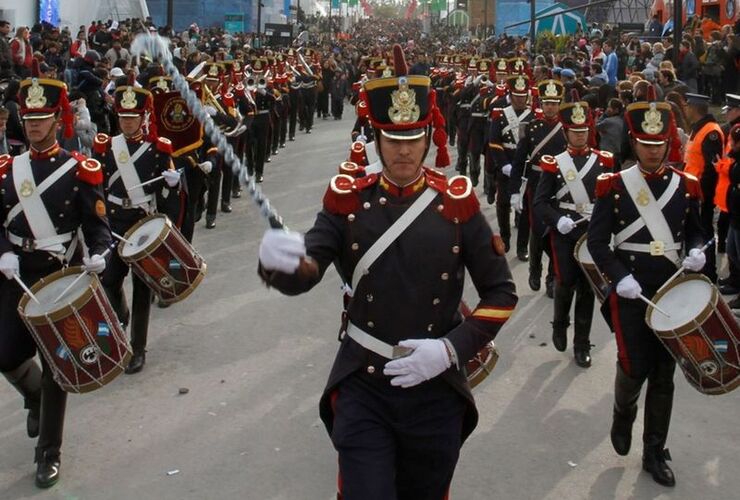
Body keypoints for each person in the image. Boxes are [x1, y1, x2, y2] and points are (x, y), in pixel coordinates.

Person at [256, 45, 517, 500]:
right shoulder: (347, 200)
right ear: (375, 139)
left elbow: (501, 294)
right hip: (365, 381)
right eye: (393, 140)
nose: (404, 151)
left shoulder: (457, 204)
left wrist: (451, 349)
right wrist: (281, 261)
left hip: (435, 386)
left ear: (430, 136)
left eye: (414, 138)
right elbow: (310, 268)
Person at [0, 63, 111, 488]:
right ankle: (33, 397)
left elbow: (98, 227)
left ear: (56, 119)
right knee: (7, 354)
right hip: (14, 274)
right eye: (28, 120)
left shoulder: (80, 169)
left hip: (58, 272)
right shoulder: (7, 171)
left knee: (56, 365)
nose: (33, 127)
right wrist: (5, 252)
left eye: (41, 119)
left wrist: (100, 254)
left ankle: (49, 451)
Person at [588, 93, 706, 488]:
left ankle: (654, 449)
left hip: (671, 289)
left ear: (668, 143)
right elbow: (597, 242)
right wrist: (618, 275)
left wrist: (696, 254)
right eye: (645, 144)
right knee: (633, 365)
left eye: (659, 145)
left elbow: (697, 232)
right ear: (634, 143)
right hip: (630, 291)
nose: (652, 151)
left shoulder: (685, 185)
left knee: (664, 373)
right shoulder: (614, 186)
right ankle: (623, 413)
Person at [93, 79, 181, 374]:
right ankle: (121, 314)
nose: (127, 123)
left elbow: (167, 199)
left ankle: (138, 348)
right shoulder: (106, 147)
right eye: (123, 117)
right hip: (115, 223)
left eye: (132, 117)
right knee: (109, 281)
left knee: (143, 288)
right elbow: (97, 188)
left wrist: (172, 187)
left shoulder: (158, 148)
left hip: (142, 223)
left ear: (144, 118)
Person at [535, 99, 614, 367]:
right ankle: (559, 323)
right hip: (564, 231)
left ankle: (582, 342)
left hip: (591, 234)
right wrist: (557, 221)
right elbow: (541, 203)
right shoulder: (555, 164)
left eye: (584, 131)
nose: (580, 136)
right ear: (566, 132)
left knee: (587, 288)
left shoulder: (604, 162)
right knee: (565, 280)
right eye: (575, 131)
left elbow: (610, 203)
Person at [510, 79, 568, 297]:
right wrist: (515, 190)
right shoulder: (530, 127)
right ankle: (535, 268)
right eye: (547, 103)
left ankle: (552, 276)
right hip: (536, 183)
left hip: (560, 185)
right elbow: (519, 161)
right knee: (537, 228)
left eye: (554, 103)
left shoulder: (567, 129)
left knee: (556, 233)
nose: (551, 107)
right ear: (540, 104)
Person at [487, 74, 534, 257]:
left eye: (524, 97)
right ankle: (505, 237)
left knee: (525, 208)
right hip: (507, 163)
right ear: (511, 95)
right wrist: (503, 165)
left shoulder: (533, 116)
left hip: (524, 168)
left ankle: (522, 247)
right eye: (517, 96)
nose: (521, 100)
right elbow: (494, 142)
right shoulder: (500, 114)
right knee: (503, 203)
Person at [683, 93, 724, 282]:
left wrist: (703, 195)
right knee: (695, 230)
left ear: (694, 108)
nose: (685, 109)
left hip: (701, 193)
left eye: (687, 106)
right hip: (692, 189)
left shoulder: (710, 132)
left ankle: (708, 271)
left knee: (704, 231)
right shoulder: (698, 129)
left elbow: (711, 169)